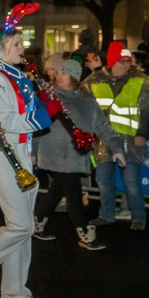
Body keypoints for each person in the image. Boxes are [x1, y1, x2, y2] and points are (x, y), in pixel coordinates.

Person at [0, 4, 53, 298]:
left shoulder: (16, 75)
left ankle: (14, 291)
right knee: (21, 225)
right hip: (2, 156)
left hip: (22, 154)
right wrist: (44, 116)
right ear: (1, 49)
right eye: (17, 44)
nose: (23, 49)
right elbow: (5, 121)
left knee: (22, 229)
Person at [35, 56, 122, 250]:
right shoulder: (48, 97)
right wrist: (32, 151)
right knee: (73, 192)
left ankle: (38, 222)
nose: (59, 75)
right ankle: (85, 234)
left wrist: (117, 148)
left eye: (64, 72)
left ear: (75, 75)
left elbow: (102, 126)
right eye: (57, 71)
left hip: (77, 153)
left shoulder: (87, 99)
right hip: (55, 154)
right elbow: (36, 125)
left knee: (57, 190)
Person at [83, 41, 148, 230]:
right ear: (111, 61)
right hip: (104, 140)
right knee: (104, 181)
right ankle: (106, 215)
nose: (126, 64)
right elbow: (84, 107)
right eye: (121, 60)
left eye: (127, 61)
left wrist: (142, 134)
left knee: (132, 183)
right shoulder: (93, 81)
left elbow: (147, 111)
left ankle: (138, 218)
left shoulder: (141, 81)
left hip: (130, 140)